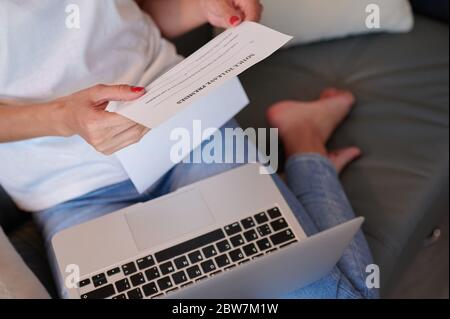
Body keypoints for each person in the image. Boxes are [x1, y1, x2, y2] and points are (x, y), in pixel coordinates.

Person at [0, 0, 377, 299]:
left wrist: (201, 7)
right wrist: (64, 117)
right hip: (68, 188)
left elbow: (127, 16)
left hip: (181, 124)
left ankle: (304, 139)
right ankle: (305, 141)